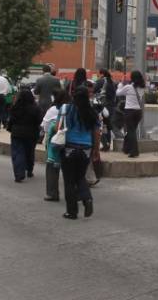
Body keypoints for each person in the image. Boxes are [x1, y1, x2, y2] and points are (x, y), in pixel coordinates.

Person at [56, 86, 99, 219]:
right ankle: (87, 199)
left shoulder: (65, 109)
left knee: (69, 180)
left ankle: (72, 211)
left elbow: (58, 126)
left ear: (73, 95)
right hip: (86, 149)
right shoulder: (92, 112)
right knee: (80, 177)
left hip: (69, 147)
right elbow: (96, 132)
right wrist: (95, 150)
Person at [7, 88, 43, 183]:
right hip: (32, 133)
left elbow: (11, 120)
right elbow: (39, 121)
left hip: (17, 133)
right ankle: (29, 170)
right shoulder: (36, 108)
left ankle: (19, 174)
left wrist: (10, 129)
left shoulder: (15, 107)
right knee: (29, 152)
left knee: (18, 153)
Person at [41, 90, 67, 202]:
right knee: (69, 171)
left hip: (55, 143)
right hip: (70, 143)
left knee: (52, 168)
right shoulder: (72, 109)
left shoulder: (52, 110)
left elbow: (45, 126)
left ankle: (52, 193)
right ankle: (75, 193)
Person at [116, 70, 146, 158]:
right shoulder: (142, 87)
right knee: (131, 130)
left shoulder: (129, 87)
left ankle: (134, 151)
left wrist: (121, 84)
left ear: (132, 78)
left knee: (130, 131)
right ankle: (126, 148)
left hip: (129, 112)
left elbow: (118, 93)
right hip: (138, 112)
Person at [93, 69, 117, 151]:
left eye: (99, 74)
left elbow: (93, 90)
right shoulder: (112, 82)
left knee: (101, 125)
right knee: (108, 125)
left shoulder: (101, 81)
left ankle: (105, 143)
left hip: (103, 106)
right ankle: (108, 144)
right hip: (111, 106)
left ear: (102, 74)